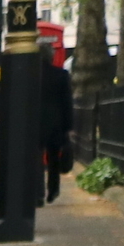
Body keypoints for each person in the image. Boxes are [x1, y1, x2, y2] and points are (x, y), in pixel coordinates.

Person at [40, 56, 76, 203]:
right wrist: (69, 126)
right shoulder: (61, 74)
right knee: (53, 159)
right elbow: (67, 102)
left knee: (35, 157)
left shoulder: (31, 74)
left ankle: (37, 192)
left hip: (35, 122)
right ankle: (53, 190)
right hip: (56, 124)